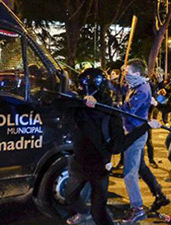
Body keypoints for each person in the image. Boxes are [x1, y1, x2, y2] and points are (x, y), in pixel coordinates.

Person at [59, 68, 161, 225]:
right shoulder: (78, 106)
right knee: (70, 195)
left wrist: (145, 126)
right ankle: (83, 213)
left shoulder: (111, 113)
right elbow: (59, 104)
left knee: (98, 211)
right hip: (78, 163)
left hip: (99, 166)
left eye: (81, 86)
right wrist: (82, 100)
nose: (78, 89)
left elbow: (118, 146)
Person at [121, 59, 170, 223]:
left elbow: (128, 110)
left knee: (129, 173)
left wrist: (113, 105)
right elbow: (122, 91)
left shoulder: (142, 90)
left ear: (136, 74)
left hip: (136, 134)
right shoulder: (135, 86)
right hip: (134, 131)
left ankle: (137, 208)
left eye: (128, 72)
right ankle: (160, 194)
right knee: (140, 167)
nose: (126, 75)